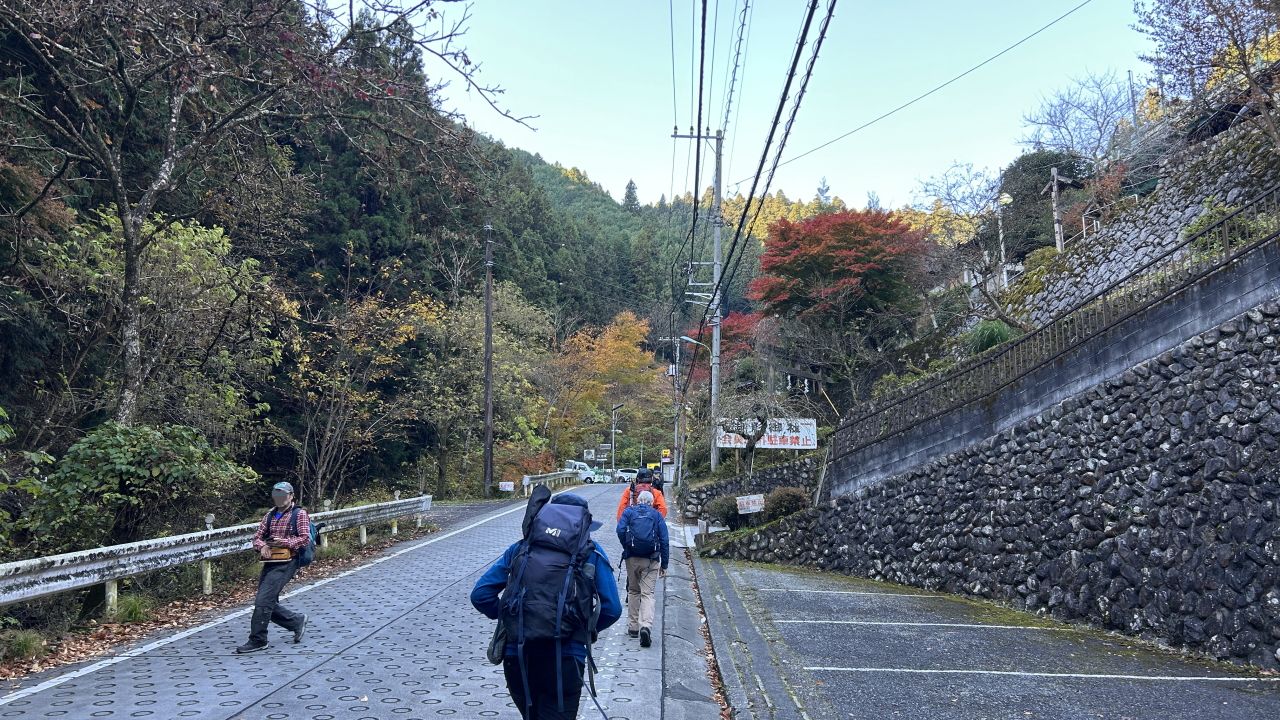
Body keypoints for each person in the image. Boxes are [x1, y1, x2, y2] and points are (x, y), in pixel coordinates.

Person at [471, 490, 622, 719]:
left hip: (518, 653)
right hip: (566, 657)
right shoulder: (592, 553)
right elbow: (612, 609)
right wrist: (583, 628)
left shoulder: (521, 548)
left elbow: (480, 595)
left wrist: (510, 618)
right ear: (582, 524)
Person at [237, 481, 309, 654]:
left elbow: (304, 538)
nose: (280, 498)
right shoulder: (271, 515)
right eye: (276, 495)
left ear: (291, 496)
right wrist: (262, 546)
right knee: (265, 600)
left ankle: (258, 639)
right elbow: (258, 537)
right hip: (269, 561)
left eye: (283, 495)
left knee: (263, 601)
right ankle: (296, 621)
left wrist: (281, 542)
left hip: (288, 561)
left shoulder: (299, 514)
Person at [616, 490, 669, 648]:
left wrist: (626, 545)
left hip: (631, 558)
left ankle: (633, 627)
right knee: (647, 594)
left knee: (633, 590)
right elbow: (664, 540)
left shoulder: (629, 512)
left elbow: (619, 530)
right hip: (651, 559)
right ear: (652, 502)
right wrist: (664, 564)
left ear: (637, 501)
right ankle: (645, 626)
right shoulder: (656, 515)